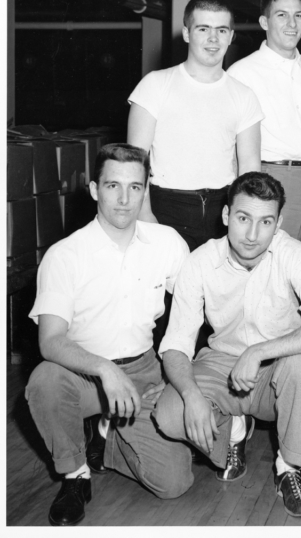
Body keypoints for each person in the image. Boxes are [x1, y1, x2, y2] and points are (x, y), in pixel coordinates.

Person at [152, 171, 301, 518]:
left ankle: (288, 467)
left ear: (279, 223)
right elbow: (177, 345)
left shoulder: (293, 254)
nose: (253, 235)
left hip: (278, 370)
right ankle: (234, 430)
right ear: (226, 216)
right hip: (221, 363)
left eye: (265, 222)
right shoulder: (199, 262)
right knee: (170, 414)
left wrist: (258, 352)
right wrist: (192, 396)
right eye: (243, 219)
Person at [25, 144, 193, 526]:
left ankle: (107, 438)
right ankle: (75, 475)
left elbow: (193, 310)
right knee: (44, 381)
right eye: (113, 186)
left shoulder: (166, 243)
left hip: (145, 370)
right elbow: (50, 342)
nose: (124, 198)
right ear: (94, 190)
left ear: (145, 189)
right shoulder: (64, 255)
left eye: (135, 187)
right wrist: (105, 370)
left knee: (174, 483)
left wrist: (175, 373)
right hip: (83, 375)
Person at [127, 0, 263, 251]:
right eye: (203, 29)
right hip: (166, 207)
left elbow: (249, 169)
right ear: (187, 33)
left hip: (222, 210)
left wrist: (246, 220)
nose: (214, 39)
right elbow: (136, 162)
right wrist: (145, 215)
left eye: (222, 30)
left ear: (231, 36)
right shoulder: (155, 85)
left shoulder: (244, 95)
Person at [228, 0, 301, 254]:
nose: (292, 23)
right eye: (282, 15)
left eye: (298, 15)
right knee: (269, 267)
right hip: (271, 177)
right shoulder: (242, 72)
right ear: (264, 22)